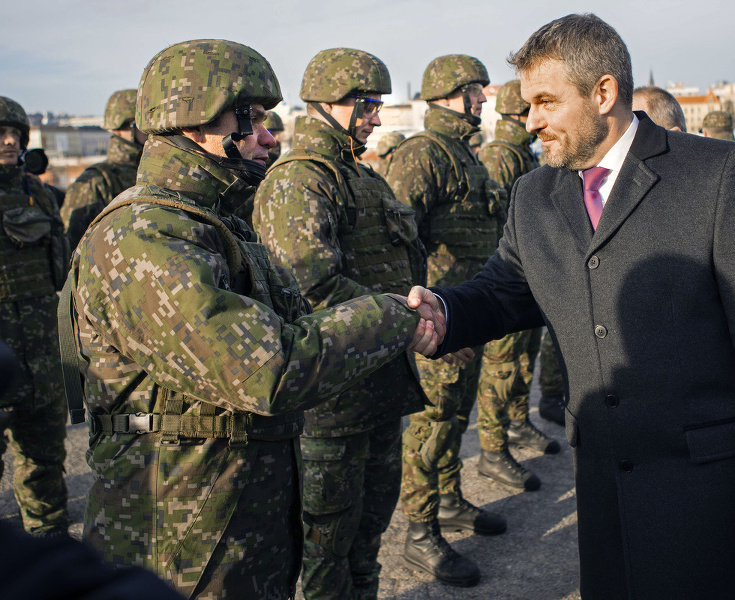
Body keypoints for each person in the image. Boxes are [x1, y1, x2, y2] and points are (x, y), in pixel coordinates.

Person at [409, 14, 735, 599]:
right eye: (528, 105)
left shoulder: (715, 175)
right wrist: (446, 314)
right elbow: (505, 290)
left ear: (603, 93)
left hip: (711, 495)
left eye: (546, 102)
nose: (532, 123)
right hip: (606, 491)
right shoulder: (535, 194)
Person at [64, 39, 442, 600]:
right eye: (251, 120)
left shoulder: (212, 222)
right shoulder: (146, 237)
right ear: (194, 126)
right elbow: (270, 368)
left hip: (228, 518)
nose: (269, 136)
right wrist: (394, 315)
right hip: (181, 539)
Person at [254, 47, 428, 600]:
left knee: (367, 537)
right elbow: (311, 286)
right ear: (327, 104)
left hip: (376, 389)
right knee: (325, 549)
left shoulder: (361, 177)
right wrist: (408, 320)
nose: (376, 117)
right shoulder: (299, 180)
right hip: (330, 406)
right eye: (367, 104)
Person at [384, 54, 508, 587]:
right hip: (438, 322)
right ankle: (420, 531)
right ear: (449, 96)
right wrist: (426, 324)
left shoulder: (463, 153)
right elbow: (400, 243)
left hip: (465, 315)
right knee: (431, 427)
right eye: (475, 91)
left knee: (455, 418)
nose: (482, 100)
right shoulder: (422, 155)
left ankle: (450, 501)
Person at [476, 79, 559, 493]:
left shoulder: (520, 155)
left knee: (523, 362)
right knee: (501, 366)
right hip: (506, 278)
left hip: (529, 277)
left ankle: (518, 423)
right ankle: (492, 450)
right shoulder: (499, 155)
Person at [0, 96, 70, 538]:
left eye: (15, 134)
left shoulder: (39, 192)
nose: (9, 141)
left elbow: (59, 269)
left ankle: (51, 554)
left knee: (44, 467)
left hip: (42, 360)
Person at [61, 89, 147, 248]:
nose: (151, 131)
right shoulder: (95, 182)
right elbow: (71, 248)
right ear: (121, 127)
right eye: (144, 123)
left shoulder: (152, 172)